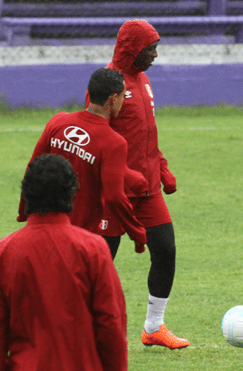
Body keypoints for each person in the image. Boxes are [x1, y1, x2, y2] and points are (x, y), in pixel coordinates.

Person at [0, 67, 147, 344]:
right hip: (77, 231)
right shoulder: (113, 141)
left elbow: (34, 164)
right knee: (67, 293)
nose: (124, 103)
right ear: (112, 99)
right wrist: (137, 232)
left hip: (42, 218)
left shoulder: (59, 121)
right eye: (123, 98)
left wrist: (24, 209)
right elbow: (115, 197)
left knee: (40, 278)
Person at [85, 19, 189, 349]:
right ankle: (78, 326)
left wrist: (162, 168)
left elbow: (146, 134)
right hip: (113, 191)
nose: (156, 55)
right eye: (151, 49)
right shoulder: (107, 82)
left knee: (166, 250)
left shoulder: (143, 81)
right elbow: (96, 135)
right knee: (99, 264)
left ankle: (153, 327)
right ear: (133, 50)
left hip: (147, 190)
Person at [0, 153, 128, 370]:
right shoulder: (93, 248)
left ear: (27, 194)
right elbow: (111, 322)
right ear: (71, 193)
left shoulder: (3, 252)